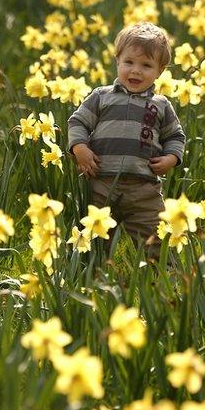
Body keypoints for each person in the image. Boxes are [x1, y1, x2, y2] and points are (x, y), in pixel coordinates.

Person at [67, 22, 186, 262]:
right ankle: (88, 276)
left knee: (156, 239)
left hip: (144, 189)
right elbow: (78, 122)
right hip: (101, 182)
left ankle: (162, 279)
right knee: (92, 240)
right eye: (129, 62)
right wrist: (79, 148)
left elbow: (175, 136)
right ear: (117, 60)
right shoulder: (101, 96)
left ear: (160, 71)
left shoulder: (161, 105)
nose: (136, 71)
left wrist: (171, 159)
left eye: (146, 65)